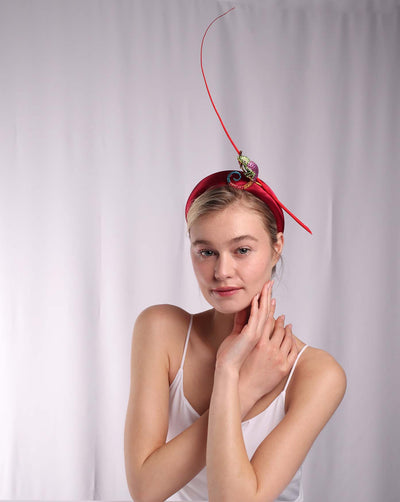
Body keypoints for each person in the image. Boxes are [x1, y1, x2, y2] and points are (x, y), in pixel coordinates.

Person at [124, 168, 347, 502]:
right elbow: (145, 489)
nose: (222, 271)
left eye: (242, 250)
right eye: (206, 251)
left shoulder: (316, 374)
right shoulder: (160, 331)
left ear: (276, 248)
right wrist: (237, 384)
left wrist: (228, 378)